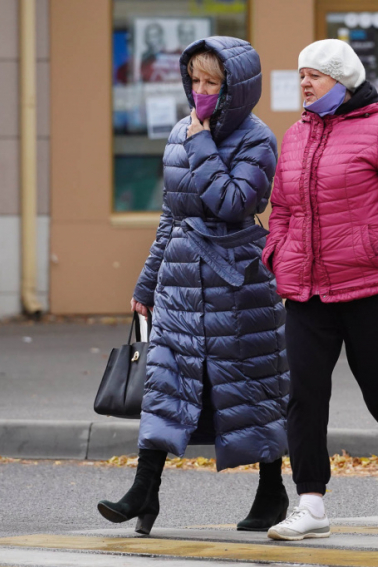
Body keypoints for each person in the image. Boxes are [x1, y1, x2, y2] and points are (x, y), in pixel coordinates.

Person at [98, 37, 289, 535]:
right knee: (165, 384)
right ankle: (145, 490)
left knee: (251, 388)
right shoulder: (180, 132)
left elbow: (233, 202)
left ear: (236, 89)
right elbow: (171, 214)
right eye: (195, 81)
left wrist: (201, 142)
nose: (201, 91)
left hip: (238, 283)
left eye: (212, 83)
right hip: (180, 282)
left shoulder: (258, 139)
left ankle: (272, 491)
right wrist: (146, 283)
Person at [263, 39, 378, 541]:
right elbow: (282, 209)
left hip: (372, 285)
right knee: (303, 395)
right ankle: (311, 503)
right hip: (308, 291)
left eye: (315, 74)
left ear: (342, 80)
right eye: (301, 74)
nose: (305, 83)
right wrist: (277, 253)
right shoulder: (295, 136)